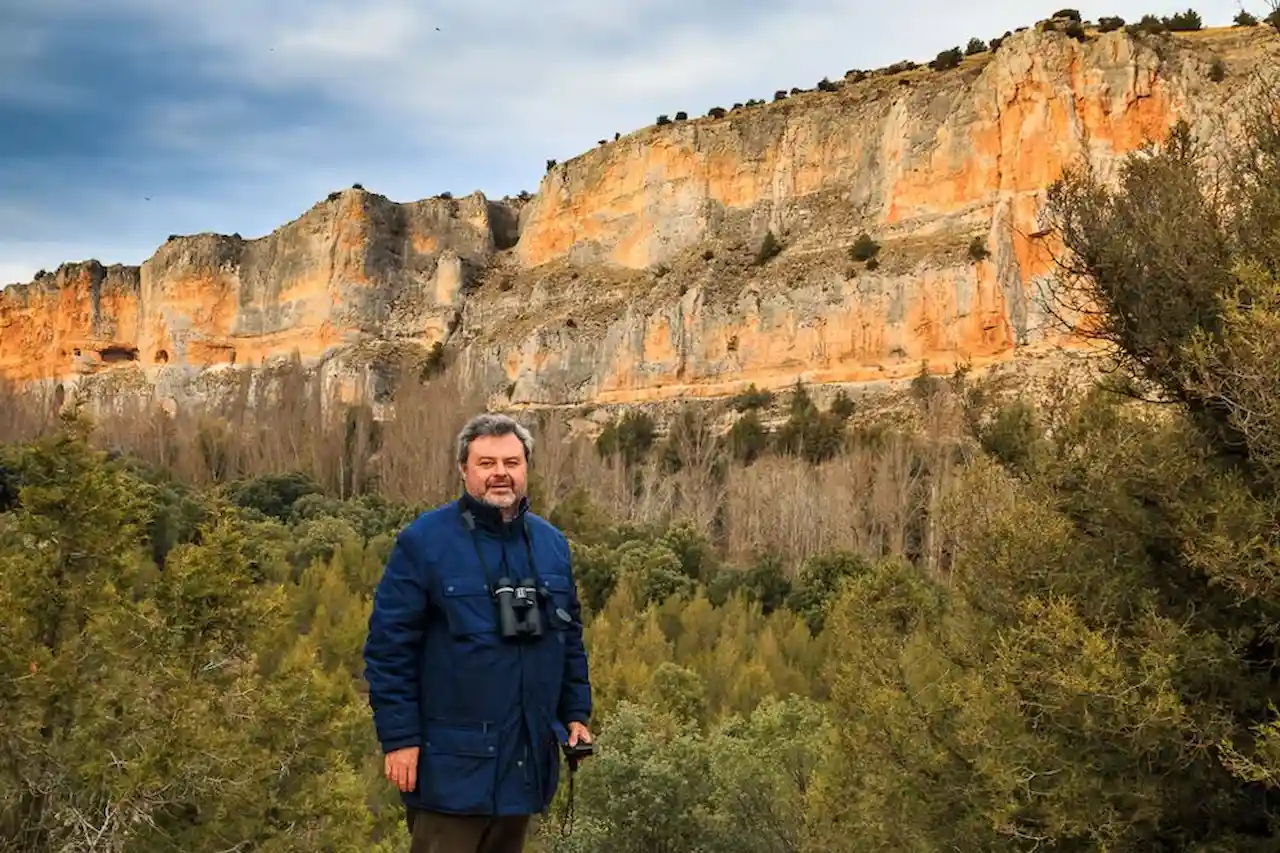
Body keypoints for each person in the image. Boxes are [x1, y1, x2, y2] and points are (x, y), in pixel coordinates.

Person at [362, 413, 593, 853]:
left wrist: (575, 712)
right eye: (486, 463)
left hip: (526, 763)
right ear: (463, 469)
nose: (500, 473)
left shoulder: (551, 543)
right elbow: (389, 650)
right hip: (450, 768)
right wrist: (400, 740)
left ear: (526, 467)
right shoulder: (425, 541)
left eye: (511, 462)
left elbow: (570, 636)